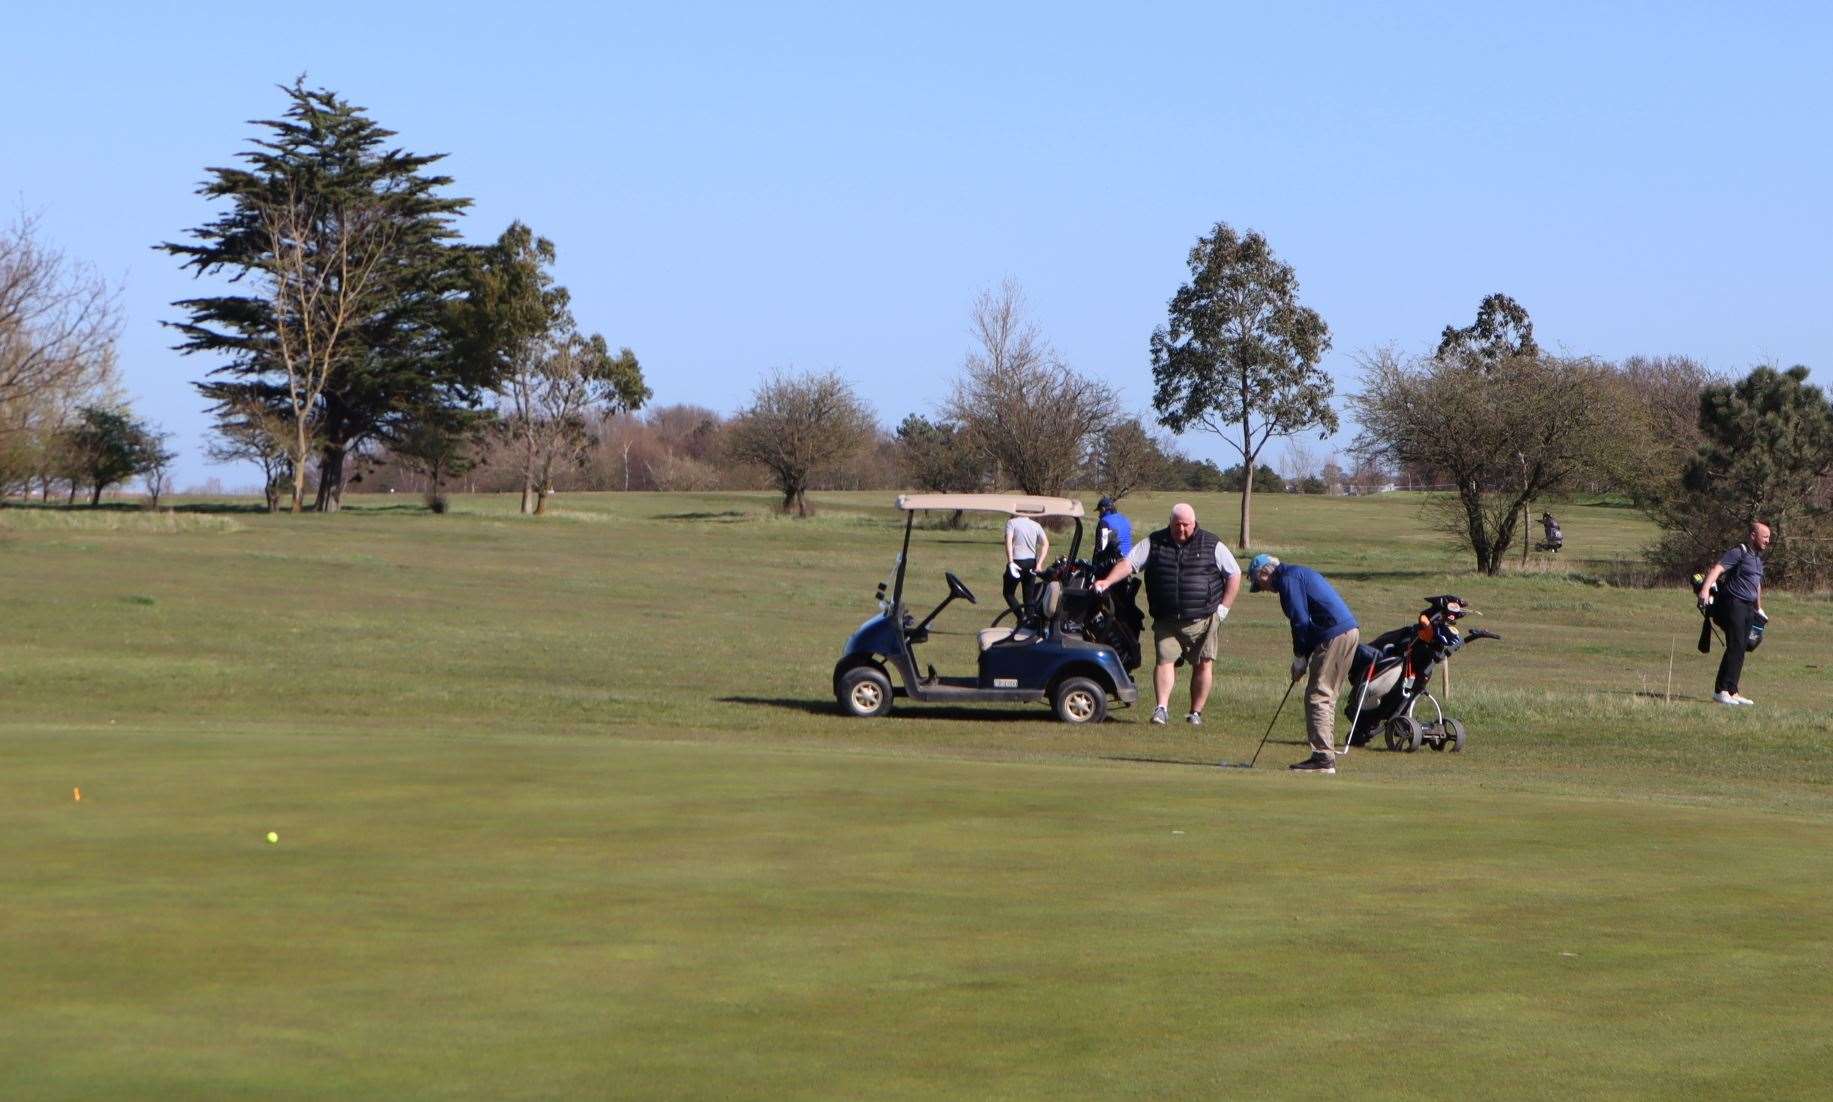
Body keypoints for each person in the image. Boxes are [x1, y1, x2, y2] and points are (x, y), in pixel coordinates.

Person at [1092, 503, 1240, 726]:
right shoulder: (1155, 542)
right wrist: (1107, 581)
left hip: (1203, 618)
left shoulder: (1211, 543)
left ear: (1194, 523)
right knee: (1164, 660)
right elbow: (1130, 563)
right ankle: (1161, 709)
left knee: (1203, 664)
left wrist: (1224, 608)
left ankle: (1195, 713)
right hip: (1166, 618)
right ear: (1170, 522)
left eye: (1185, 525)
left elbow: (1234, 574)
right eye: (1176, 524)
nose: (1181, 529)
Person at [1248, 554, 1359, 774]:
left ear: (1264, 573)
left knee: (1318, 695)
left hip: (1334, 634)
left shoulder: (1288, 580)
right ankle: (1324, 755)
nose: (1263, 589)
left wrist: (1299, 657)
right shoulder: (1296, 573)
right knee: (1326, 695)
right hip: (1347, 631)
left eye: (1259, 584)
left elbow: (1300, 620)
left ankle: (1323, 759)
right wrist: (1304, 657)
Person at [1697, 521, 1770, 706]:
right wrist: (1705, 589)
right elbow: (1717, 569)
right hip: (1733, 604)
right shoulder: (1739, 552)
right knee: (1735, 645)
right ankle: (1721, 691)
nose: (1768, 541)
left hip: (1748, 608)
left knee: (1741, 649)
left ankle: (1732, 690)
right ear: (1753, 535)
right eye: (1765, 537)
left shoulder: (1757, 559)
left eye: (1769, 537)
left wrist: (1758, 608)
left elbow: (1756, 585)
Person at [1003, 511, 1049, 623]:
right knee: (1029, 597)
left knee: (1008, 593)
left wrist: (1010, 561)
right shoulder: (1036, 525)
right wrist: (1039, 564)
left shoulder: (1011, 523)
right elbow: (1046, 543)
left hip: (1017, 562)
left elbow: (1008, 542)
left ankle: (1021, 616)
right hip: (1031, 563)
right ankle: (1030, 622)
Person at [1094, 496, 1133, 567]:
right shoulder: (1125, 519)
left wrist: (1095, 565)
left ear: (1103, 509)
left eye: (1099, 511)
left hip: (1113, 564)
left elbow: (1101, 547)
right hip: (1129, 562)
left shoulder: (1104, 522)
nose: (1099, 516)